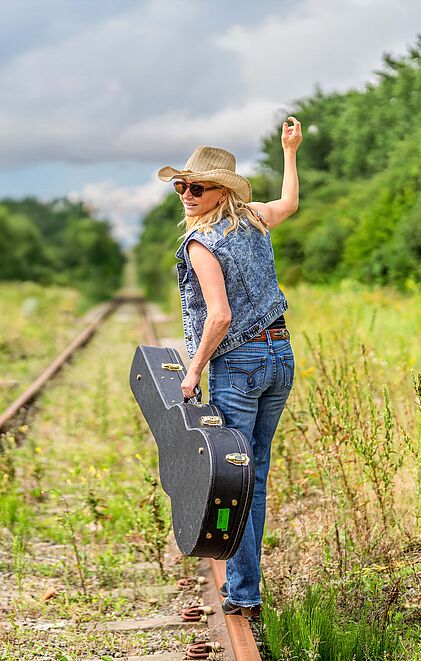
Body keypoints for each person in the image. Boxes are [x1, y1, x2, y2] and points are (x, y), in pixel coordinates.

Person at [157, 116, 303, 619]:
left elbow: (219, 316)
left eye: (197, 187)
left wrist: (193, 369)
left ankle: (243, 591)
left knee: (234, 478)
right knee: (254, 474)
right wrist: (291, 152)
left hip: (238, 365)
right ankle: (245, 584)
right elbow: (289, 204)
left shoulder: (202, 244)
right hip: (279, 355)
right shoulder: (254, 219)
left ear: (221, 192)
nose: (186, 194)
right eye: (182, 185)